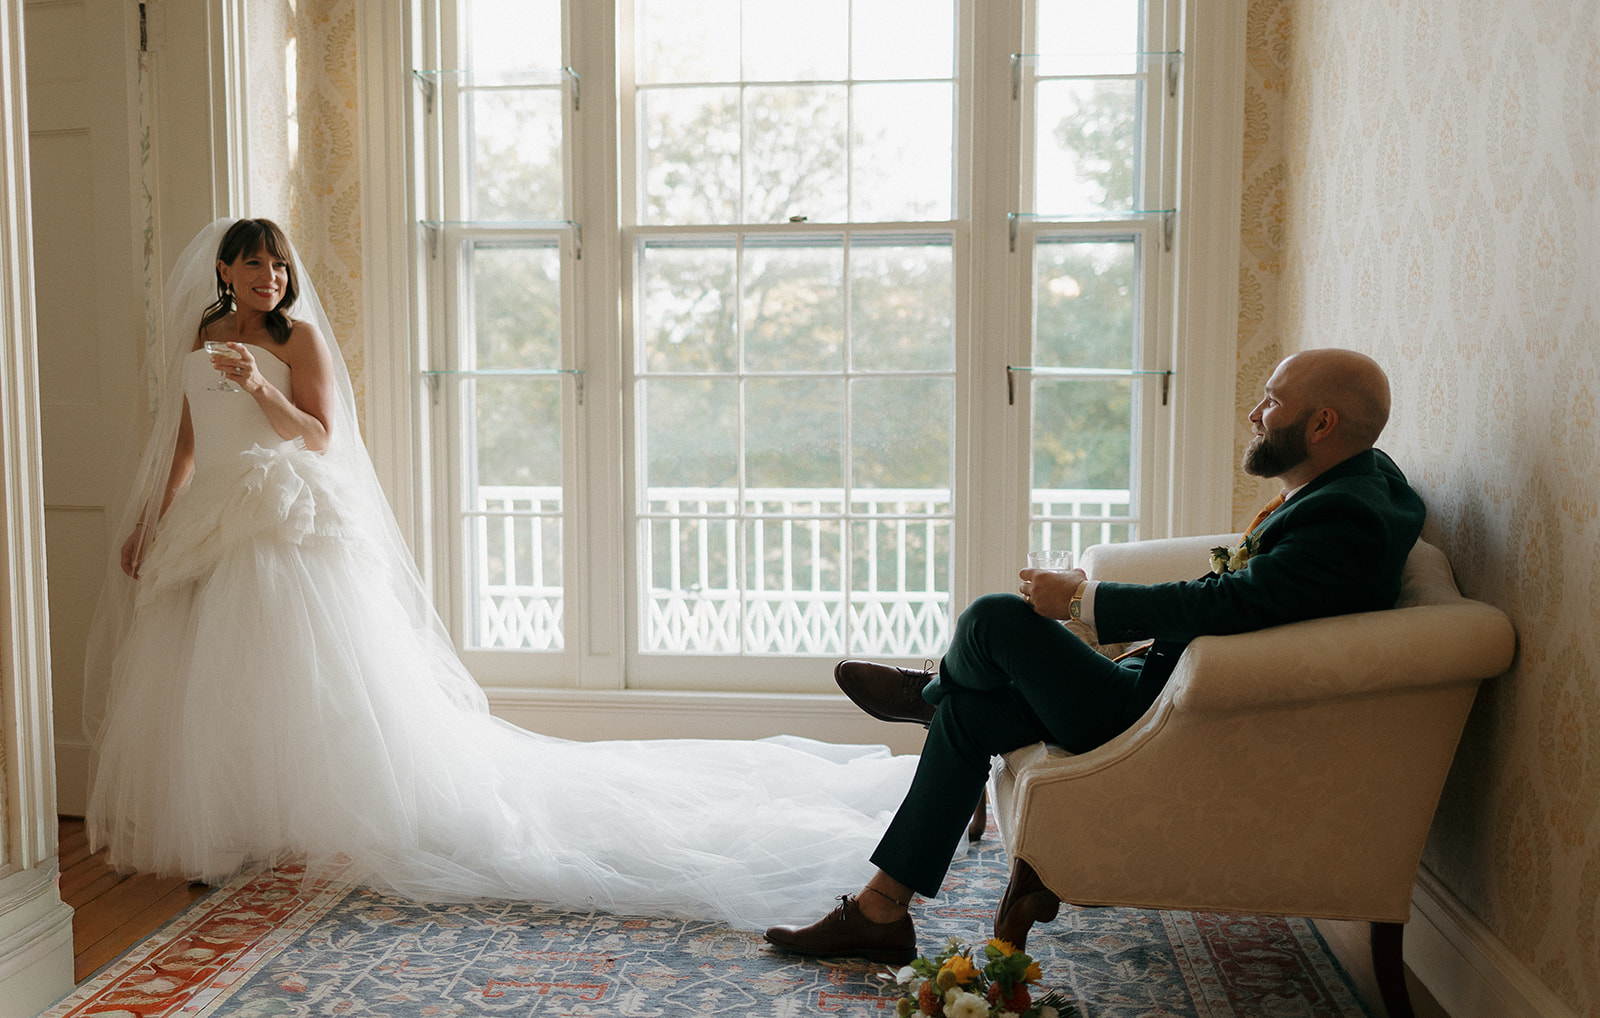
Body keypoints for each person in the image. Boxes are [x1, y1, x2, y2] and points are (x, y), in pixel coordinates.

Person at [82, 218, 919, 930]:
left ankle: (327, 823)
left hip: (282, 518)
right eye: (254, 262)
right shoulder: (202, 338)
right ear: (226, 271)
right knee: (221, 683)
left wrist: (261, 386)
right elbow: (188, 441)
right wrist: (150, 518)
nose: (269, 275)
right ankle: (236, 832)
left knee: (306, 678)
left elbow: (319, 436)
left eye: (278, 263)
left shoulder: (293, 340)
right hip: (215, 520)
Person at [763, 348, 1426, 964]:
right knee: (972, 716)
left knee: (996, 619)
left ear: (1322, 424)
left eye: (1271, 401)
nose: (1255, 414)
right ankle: (880, 912)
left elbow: (1232, 604)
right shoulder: (1363, 482)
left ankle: (924, 697)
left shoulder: (1345, 520)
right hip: (1163, 685)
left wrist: (1084, 598)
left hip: (1159, 717)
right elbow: (1246, 594)